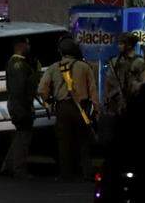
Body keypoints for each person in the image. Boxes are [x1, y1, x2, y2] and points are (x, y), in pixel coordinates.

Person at [39, 36, 100, 181]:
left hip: (62, 107)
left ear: (60, 52)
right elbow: (93, 90)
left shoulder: (54, 67)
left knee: (64, 142)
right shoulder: (84, 67)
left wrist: (48, 103)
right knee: (84, 141)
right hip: (81, 108)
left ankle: (65, 174)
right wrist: (96, 109)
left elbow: (42, 89)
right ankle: (87, 172)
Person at [2, 36, 40, 178]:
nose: (29, 47)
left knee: (19, 136)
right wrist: (26, 106)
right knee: (24, 138)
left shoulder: (16, 63)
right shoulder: (18, 65)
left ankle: (8, 166)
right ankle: (19, 169)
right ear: (21, 45)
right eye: (27, 44)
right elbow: (20, 89)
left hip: (17, 104)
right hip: (20, 106)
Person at [103, 32, 145, 117]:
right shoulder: (114, 61)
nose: (119, 46)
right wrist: (107, 97)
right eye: (119, 43)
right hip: (116, 104)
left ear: (129, 45)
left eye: (121, 43)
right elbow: (108, 81)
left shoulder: (139, 62)